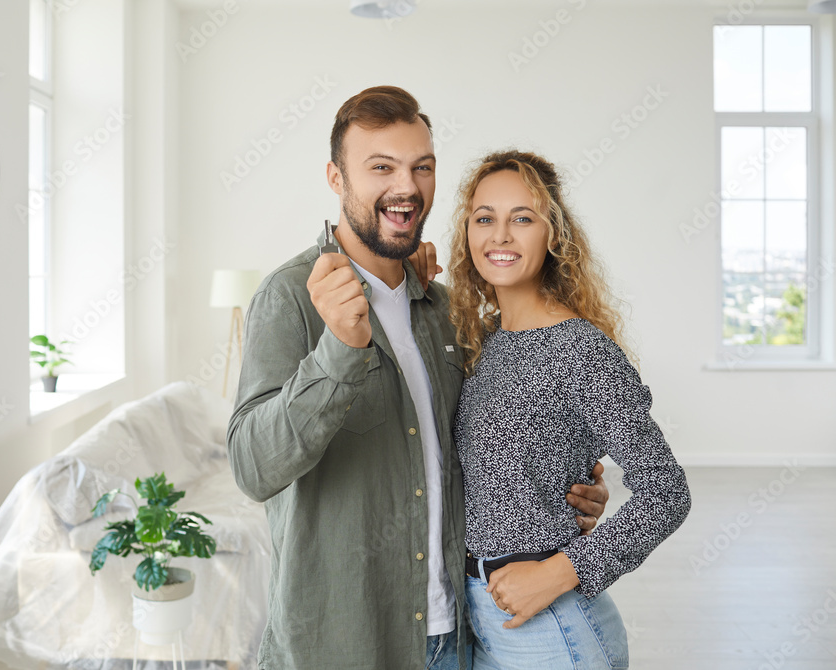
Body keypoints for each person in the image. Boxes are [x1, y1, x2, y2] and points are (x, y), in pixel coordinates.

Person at [226, 87, 609, 670]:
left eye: (421, 167)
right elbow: (253, 468)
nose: (405, 187)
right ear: (336, 177)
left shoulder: (443, 307)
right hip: (345, 643)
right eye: (381, 167)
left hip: (456, 636)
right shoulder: (290, 298)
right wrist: (338, 350)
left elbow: (476, 447)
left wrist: (563, 489)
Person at [447, 150, 692, 669]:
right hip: (479, 619)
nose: (501, 235)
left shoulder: (581, 348)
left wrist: (560, 572)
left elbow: (666, 493)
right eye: (485, 218)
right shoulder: (485, 341)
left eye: (523, 218)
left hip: (552, 629)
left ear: (553, 234)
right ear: (467, 235)